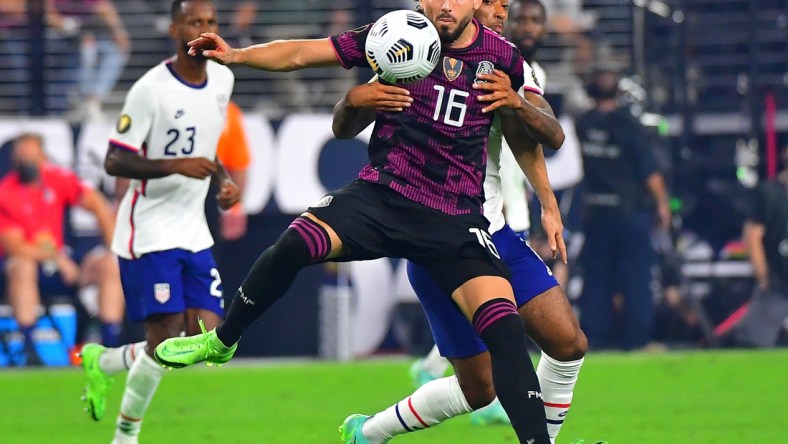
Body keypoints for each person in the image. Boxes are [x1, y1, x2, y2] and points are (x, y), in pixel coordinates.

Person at [155, 1, 559, 442]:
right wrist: (237, 54)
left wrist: (518, 103)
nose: (445, 5)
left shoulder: (503, 59)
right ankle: (223, 339)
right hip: (383, 196)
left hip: (455, 217)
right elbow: (303, 53)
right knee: (292, 245)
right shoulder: (395, 33)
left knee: (505, 330)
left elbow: (551, 135)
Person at [334, 1, 586, 442]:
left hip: (499, 231)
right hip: (443, 243)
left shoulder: (511, 68)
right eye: (492, 3)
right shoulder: (419, 58)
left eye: (507, 7)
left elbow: (539, 140)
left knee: (569, 344)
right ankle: (369, 433)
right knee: (479, 389)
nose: (502, 14)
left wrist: (547, 203)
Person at [77, 2, 239, 444]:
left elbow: (207, 143)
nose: (205, 30)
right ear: (175, 30)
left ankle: (104, 361)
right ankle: (126, 436)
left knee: (202, 338)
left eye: (211, 23)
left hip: (193, 229)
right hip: (149, 229)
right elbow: (114, 159)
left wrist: (223, 181)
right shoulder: (150, 89)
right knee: (163, 340)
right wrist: (175, 165)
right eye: (195, 23)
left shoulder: (223, 78)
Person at [0, 133, 118, 365]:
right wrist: (55, 257)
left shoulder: (57, 179)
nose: (28, 164)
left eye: (32, 157)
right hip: (30, 266)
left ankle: (111, 342)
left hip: (66, 265)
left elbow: (96, 203)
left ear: (43, 157)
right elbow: (15, 246)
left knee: (108, 265)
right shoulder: (6, 193)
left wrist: (113, 246)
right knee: (22, 267)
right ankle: (29, 348)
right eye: (22, 158)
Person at [575, 67, 671, 350]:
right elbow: (649, 171)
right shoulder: (629, 124)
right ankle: (636, 339)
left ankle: (595, 339)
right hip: (630, 213)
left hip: (595, 212)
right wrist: (663, 204)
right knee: (636, 277)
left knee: (596, 278)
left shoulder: (582, 124)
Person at [45, 0, 130, 118]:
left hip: (90, 34)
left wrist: (118, 32)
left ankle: (93, 100)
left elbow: (104, 8)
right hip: (59, 35)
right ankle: (82, 99)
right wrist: (63, 24)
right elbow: (46, 12)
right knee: (88, 52)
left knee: (116, 52)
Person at [739, 146, 788, 347]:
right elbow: (752, 234)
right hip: (778, 281)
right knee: (756, 343)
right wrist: (763, 275)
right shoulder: (769, 192)